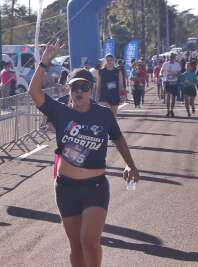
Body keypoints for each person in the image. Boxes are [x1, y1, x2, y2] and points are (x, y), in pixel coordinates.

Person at [29, 41, 139, 267]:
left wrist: (130, 164)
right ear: (68, 90)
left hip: (95, 187)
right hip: (66, 187)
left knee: (89, 241)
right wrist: (44, 63)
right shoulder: (60, 111)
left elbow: (118, 138)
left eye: (84, 88)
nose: (79, 92)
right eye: (74, 87)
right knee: (76, 247)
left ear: (92, 90)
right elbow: (33, 91)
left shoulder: (104, 115)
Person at [160, 53, 181, 118]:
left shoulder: (177, 64)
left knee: (173, 98)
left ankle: (171, 110)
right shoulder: (165, 64)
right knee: (168, 97)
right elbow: (161, 70)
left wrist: (176, 75)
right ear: (169, 57)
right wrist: (160, 74)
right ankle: (168, 111)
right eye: (171, 57)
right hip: (167, 82)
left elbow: (179, 72)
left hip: (174, 82)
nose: (172, 58)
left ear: (174, 58)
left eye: (173, 57)